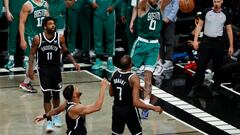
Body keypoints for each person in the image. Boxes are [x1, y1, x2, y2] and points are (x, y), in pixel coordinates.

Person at [28, 17, 80, 132]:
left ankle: (56, 115)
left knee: (56, 95)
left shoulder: (60, 37)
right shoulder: (38, 39)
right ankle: (49, 120)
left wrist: (74, 62)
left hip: (56, 69)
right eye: (50, 24)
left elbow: (66, 51)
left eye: (54, 24)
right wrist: (30, 69)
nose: (53, 26)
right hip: (44, 70)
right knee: (47, 96)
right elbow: (32, 54)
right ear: (45, 26)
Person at [188, 0, 234, 97]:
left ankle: (215, 88)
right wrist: (195, 40)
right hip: (206, 41)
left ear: (221, 1)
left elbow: (229, 30)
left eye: (218, 1)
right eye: (214, 1)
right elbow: (200, 25)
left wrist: (231, 46)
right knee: (200, 65)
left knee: (218, 67)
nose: (216, 3)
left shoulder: (226, 14)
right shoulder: (206, 11)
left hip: (218, 42)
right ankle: (195, 88)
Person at [110, 55, 162, 134]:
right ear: (130, 64)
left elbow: (111, 93)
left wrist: (133, 87)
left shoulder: (114, 73)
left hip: (117, 109)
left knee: (116, 133)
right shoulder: (133, 78)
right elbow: (136, 102)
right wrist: (153, 107)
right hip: (129, 111)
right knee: (137, 133)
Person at [34, 79, 109, 135]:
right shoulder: (76, 108)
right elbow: (97, 107)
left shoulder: (67, 103)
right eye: (75, 89)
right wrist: (103, 88)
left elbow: (56, 110)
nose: (77, 88)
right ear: (74, 95)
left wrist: (44, 116)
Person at [130, 0, 162, 119]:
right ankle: (127, 99)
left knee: (148, 77)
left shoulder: (160, 6)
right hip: (141, 44)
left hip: (154, 45)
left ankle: (146, 106)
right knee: (130, 74)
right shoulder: (142, 6)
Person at [18, 0, 49, 92]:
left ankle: (26, 83)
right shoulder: (27, 5)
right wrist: (22, 39)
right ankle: (45, 85)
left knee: (37, 60)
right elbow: (21, 23)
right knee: (36, 59)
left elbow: (48, 20)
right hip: (31, 36)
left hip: (42, 36)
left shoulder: (45, 3)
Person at [89, 0, 121, 71]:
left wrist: (113, 6)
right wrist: (91, 2)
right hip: (97, 14)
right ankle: (98, 59)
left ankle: (110, 59)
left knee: (110, 38)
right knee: (97, 37)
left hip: (109, 14)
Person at [3, 0, 26, 69]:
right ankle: (11, 59)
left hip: (26, 10)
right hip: (13, 10)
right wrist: (7, 11)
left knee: (26, 35)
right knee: (12, 35)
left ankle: (27, 59)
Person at [158, 0, 179, 70]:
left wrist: (169, 17)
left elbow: (176, 7)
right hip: (159, 19)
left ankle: (169, 60)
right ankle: (160, 59)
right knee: (159, 40)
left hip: (169, 20)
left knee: (169, 40)